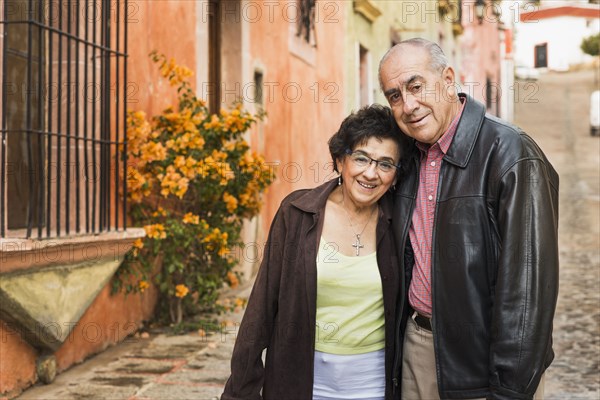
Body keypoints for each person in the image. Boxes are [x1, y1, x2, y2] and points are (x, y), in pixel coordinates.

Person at [378, 37, 559, 400]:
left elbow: (528, 293)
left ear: (448, 79)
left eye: (416, 86)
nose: (408, 105)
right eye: (394, 95)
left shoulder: (510, 152)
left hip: (485, 361)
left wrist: (509, 387)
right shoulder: (408, 155)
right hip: (418, 351)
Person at [221, 104, 410, 400]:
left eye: (386, 164)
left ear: (396, 176)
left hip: (373, 385)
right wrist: (240, 392)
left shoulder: (401, 221)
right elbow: (261, 310)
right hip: (302, 383)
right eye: (361, 158)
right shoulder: (297, 213)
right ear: (339, 161)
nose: (371, 173)